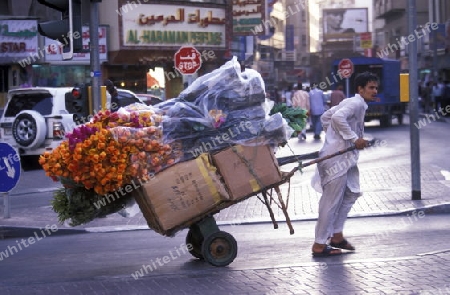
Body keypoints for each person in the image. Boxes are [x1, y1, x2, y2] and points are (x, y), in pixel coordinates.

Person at [310, 71, 379, 257]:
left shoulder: (354, 102)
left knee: (351, 193)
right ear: (360, 89)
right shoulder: (355, 103)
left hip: (344, 158)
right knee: (330, 203)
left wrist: (335, 137)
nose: (375, 91)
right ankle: (319, 245)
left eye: (375, 88)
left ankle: (337, 236)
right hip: (336, 160)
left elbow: (326, 118)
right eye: (371, 88)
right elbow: (336, 118)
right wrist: (352, 138)